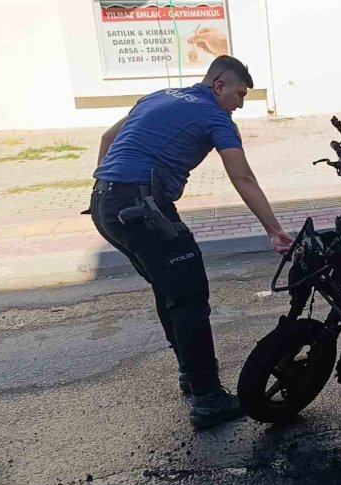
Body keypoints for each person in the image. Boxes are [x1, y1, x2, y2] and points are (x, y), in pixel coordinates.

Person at [91, 56, 294, 430]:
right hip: (141, 207)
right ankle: (207, 399)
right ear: (219, 85)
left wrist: (106, 190)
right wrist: (274, 230)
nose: (240, 103)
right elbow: (242, 176)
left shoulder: (158, 96)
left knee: (170, 289)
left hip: (105, 203)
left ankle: (191, 376)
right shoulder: (216, 118)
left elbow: (107, 139)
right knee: (188, 298)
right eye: (239, 93)